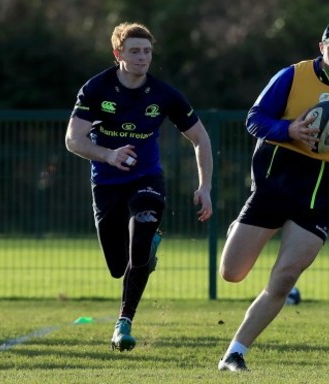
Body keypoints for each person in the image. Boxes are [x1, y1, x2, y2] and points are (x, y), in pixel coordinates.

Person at [217, 20, 329, 371]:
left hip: (324, 192)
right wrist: (289, 129)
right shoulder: (292, 76)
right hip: (277, 182)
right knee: (232, 273)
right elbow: (255, 118)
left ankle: (235, 353)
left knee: (284, 278)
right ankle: (240, 227)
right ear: (321, 47)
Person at [65, 22, 213, 351]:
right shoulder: (96, 89)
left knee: (143, 232)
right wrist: (108, 154)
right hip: (106, 184)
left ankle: (124, 322)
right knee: (119, 266)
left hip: (147, 179)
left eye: (147, 51)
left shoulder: (164, 94)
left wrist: (205, 186)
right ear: (118, 54)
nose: (142, 57)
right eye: (134, 51)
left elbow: (200, 137)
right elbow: (72, 140)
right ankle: (146, 250)